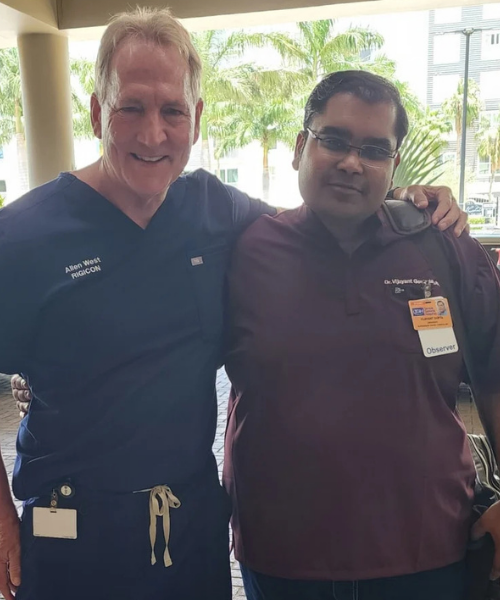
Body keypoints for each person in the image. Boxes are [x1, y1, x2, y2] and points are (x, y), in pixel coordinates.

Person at [3, 9, 466, 600]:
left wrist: (404, 198)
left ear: (196, 119)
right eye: (130, 108)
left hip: (191, 527)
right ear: (96, 113)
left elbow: (320, 217)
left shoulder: (216, 211)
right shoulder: (24, 237)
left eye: (173, 111)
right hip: (71, 530)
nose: (153, 134)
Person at [222, 70, 500, 600]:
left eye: (374, 150)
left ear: (394, 164)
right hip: (282, 558)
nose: (352, 162)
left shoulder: (446, 246)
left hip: (428, 551)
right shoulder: (244, 250)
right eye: (334, 140)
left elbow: (495, 372)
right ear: (300, 146)